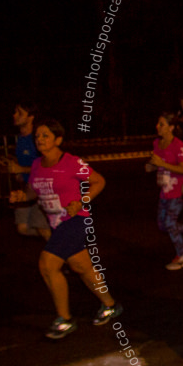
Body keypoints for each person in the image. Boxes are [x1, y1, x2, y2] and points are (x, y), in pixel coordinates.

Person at [8, 118, 122, 339]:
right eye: (38, 136)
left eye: (45, 136)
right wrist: (22, 196)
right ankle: (110, 305)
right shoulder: (37, 165)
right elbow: (34, 191)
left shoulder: (71, 162)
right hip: (56, 224)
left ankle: (65, 319)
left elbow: (99, 181)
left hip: (76, 220)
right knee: (82, 266)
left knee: (47, 264)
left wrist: (81, 200)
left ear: (58, 140)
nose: (39, 139)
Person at [147, 113, 183, 270]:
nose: (158, 127)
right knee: (163, 225)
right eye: (158, 124)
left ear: (171, 127)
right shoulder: (156, 143)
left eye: (162, 124)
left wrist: (162, 164)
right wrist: (152, 166)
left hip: (178, 191)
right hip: (164, 191)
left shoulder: (178, 145)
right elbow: (156, 164)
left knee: (170, 223)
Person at [3, 102, 51, 240]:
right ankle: (60, 240)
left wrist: (21, 169)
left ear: (30, 117)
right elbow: (28, 162)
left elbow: (47, 166)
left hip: (41, 189)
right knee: (23, 228)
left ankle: (61, 254)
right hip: (26, 188)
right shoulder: (21, 139)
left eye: (20, 113)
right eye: (15, 111)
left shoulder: (37, 138)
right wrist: (19, 171)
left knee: (41, 227)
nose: (14, 115)